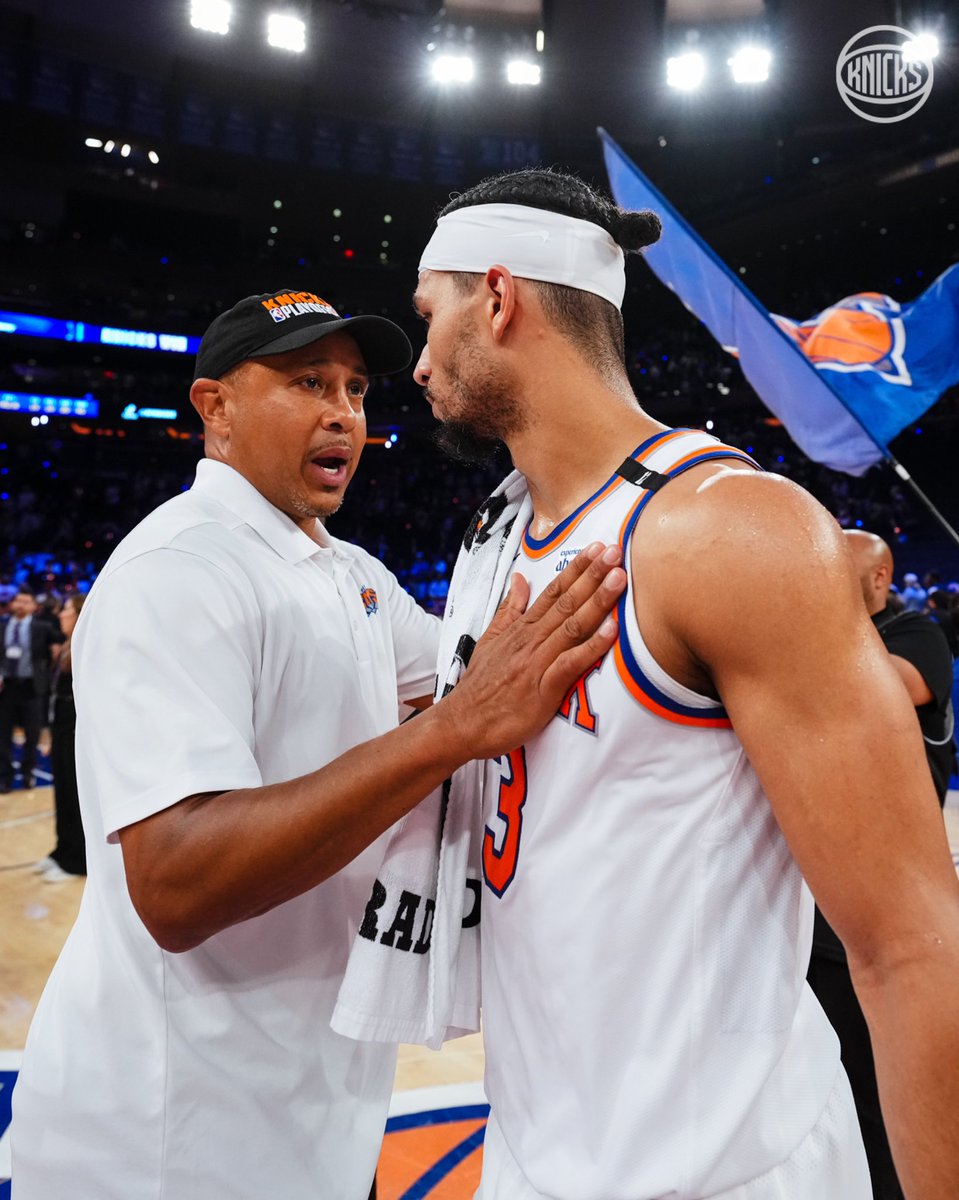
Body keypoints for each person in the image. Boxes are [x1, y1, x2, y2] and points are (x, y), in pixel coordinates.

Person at [412, 170, 959, 1200]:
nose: (419, 359)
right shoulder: (494, 531)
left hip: (728, 1171)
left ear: (498, 298)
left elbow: (909, 945)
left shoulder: (727, 528)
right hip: (532, 1145)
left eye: (428, 315)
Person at [11, 287, 627, 1200]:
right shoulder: (177, 572)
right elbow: (176, 884)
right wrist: (447, 733)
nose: (344, 413)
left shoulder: (345, 571)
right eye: (308, 382)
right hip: (169, 1141)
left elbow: (505, 673)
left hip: (308, 1112)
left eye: (356, 390)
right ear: (215, 408)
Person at [808, 529, 957, 1200]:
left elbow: (886, 687)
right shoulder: (824, 639)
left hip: (899, 891)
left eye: (835, 571)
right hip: (822, 887)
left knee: (888, 1079)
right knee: (828, 1067)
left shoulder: (913, 632)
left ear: (878, 579)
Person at [33, 593, 88, 882]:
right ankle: (62, 850)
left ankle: (77, 861)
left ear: (79, 614)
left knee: (75, 796)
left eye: (67, 609)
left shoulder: (86, 646)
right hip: (61, 725)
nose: (61, 614)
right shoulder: (67, 646)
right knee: (62, 792)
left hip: (77, 727)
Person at [0, 586, 64, 792]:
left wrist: (55, 656)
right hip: (6, 687)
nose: (21, 605)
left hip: (32, 688)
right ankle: (5, 776)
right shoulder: (3, 626)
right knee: (3, 735)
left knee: (32, 735)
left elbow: (62, 640)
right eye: (18, 600)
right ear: (12, 603)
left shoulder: (42, 627)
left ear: (34, 606)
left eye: (26, 601)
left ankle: (28, 773)